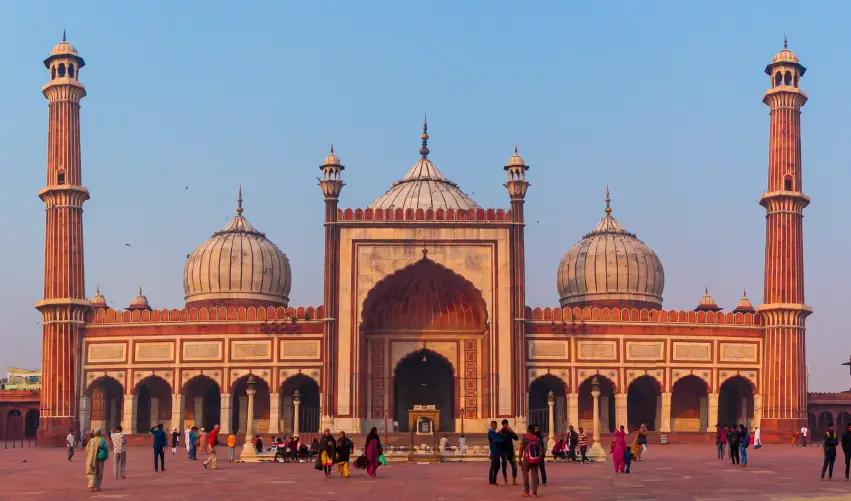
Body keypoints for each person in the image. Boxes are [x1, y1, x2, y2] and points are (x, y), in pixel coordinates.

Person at [519, 424, 542, 497]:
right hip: (535, 459)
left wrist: (519, 459)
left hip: (526, 459)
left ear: (528, 429)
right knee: (534, 476)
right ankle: (535, 492)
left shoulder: (524, 437)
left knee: (525, 475)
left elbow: (521, 448)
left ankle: (526, 492)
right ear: (533, 430)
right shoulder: (537, 438)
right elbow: (540, 450)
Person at [498, 419, 518, 485]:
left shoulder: (509, 431)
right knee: (504, 467)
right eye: (505, 424)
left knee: (514, 466)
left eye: (507, 424)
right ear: (503, 425)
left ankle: (514, 480)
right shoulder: (500, 432)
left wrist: (512, 431)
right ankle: (505, 480)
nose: (506, 425)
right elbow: (496, 440)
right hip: (504, 452)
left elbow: (516, 438)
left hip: (511, 452)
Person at [487, 420, 504, 486]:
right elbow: (500, 440)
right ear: (491, 425)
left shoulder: (493, 432)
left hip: (496, 451)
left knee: (497, 466)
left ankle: (493, 480)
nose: (495, 426)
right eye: (493, 425)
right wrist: (499, 439)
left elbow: (497, 439)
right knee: (494, 466)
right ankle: (491, 481)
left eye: (495, 425)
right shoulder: (490, 432)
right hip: (494, 451)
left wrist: (498, 439)